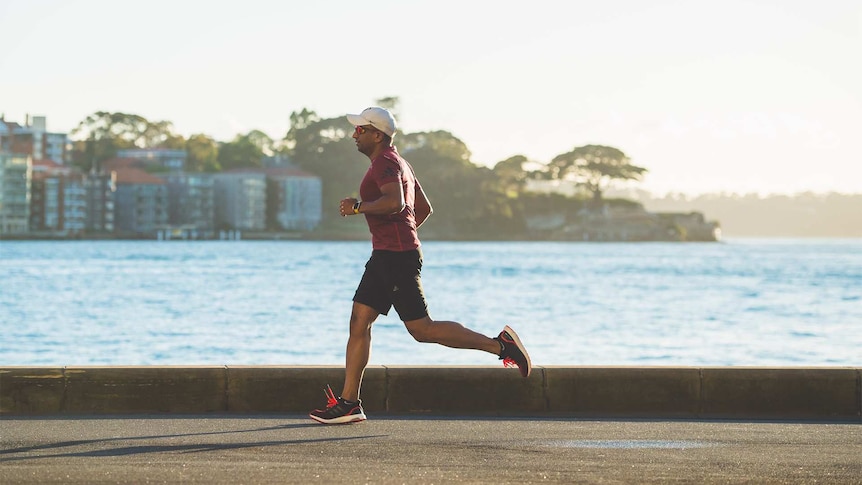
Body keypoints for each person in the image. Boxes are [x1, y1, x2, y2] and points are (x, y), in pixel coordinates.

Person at [309, 107, 531, 424]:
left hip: (394, 257)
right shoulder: (399, 162)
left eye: (360, 129)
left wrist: (359, 207)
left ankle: (501, 346)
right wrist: (402, 235)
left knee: (422, 329)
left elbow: (397, 203)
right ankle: (349, 403)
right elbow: (422, 208)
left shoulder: (386, 163)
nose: (354, 134)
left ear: (377, 134)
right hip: (389, 254)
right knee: (359, 322)